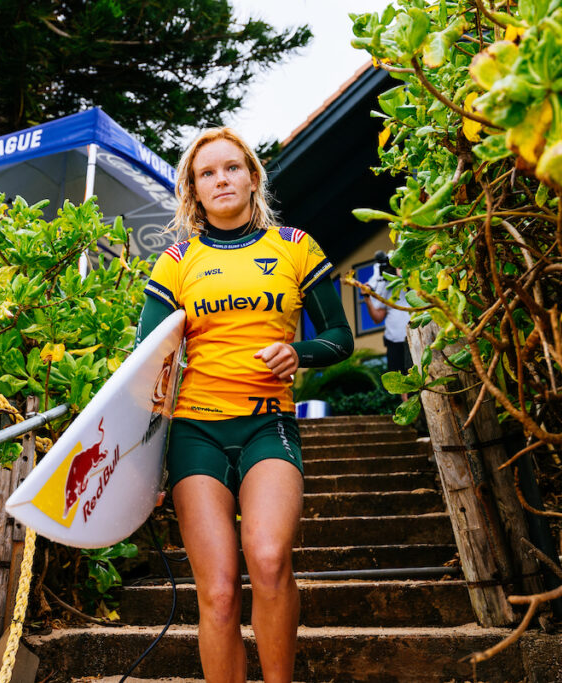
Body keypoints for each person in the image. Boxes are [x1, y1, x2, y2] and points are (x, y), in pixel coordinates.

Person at [136, 127, 353, 682]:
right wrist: (140, 466)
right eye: (207, 173)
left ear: (253, 177)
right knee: (218, 591)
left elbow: (340, 338)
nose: (221, 179)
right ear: (194, 190)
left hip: (268, 426)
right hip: (194, 435)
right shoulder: (176, 261)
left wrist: (297, 351)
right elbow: (147, 370)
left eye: (231, 168)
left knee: (270, 559)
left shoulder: (295, 246)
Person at [363, 250, 413, 375]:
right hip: (394, 342)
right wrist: (367, 298)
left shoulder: (413, 279)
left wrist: (402, 275)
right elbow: (377, 318)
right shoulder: (386, 286)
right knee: (399, 380)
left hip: (415, 339)